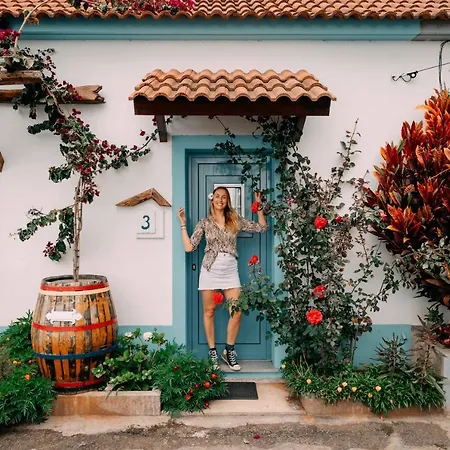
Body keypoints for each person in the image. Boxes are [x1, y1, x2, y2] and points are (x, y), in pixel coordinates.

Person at [177, 187, 268, 371]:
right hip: (210, 270)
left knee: (237, 311)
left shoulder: (235, 219)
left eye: (224, 197)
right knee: (209, 311)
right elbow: (189, 247)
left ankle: (228, 350)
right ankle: (212, 352)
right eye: (217, 196)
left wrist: (259, 207)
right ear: (212, 199)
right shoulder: (204, 223)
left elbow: (261, 227)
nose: (220, 200)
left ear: (227, 201)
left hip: (230, 271)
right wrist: (183, 225)